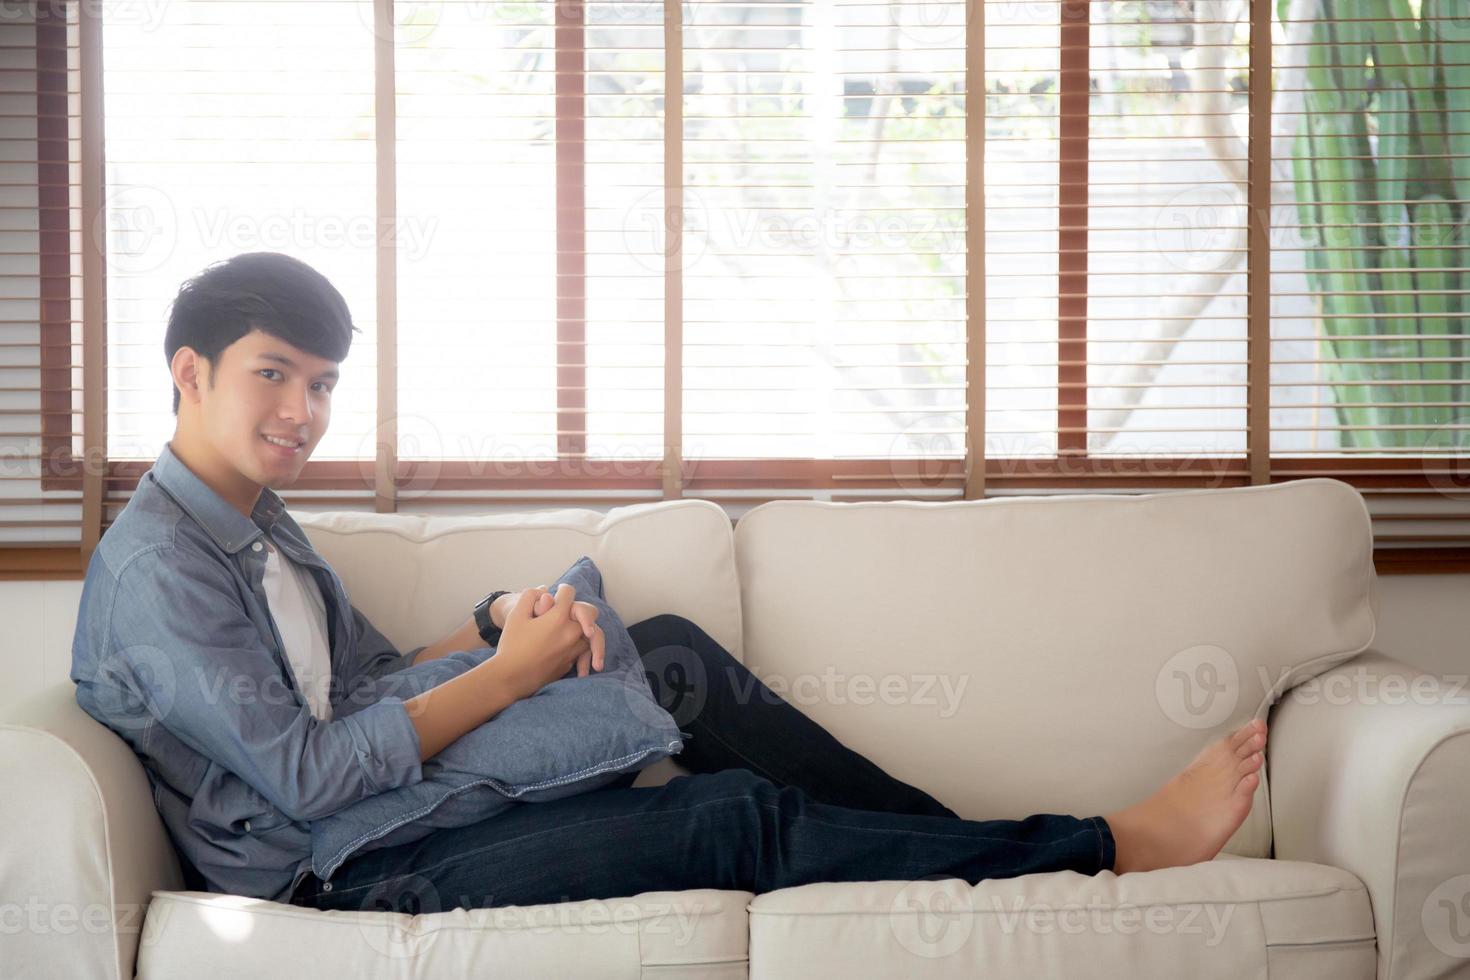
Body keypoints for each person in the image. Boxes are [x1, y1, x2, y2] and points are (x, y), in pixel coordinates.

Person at [71, 252, 1268, 916]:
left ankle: (973, 851)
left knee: (673, 650)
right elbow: (303, 770)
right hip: (335, 865)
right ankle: (1102, 846)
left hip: (390, 797)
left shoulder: (264, 525)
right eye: (276, 375)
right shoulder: (158, 571)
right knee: (730, 816)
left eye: (324, 383)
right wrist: (505, 674)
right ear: (189, 372)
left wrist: (499, 624)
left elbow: (372, 682)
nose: (305, 412)